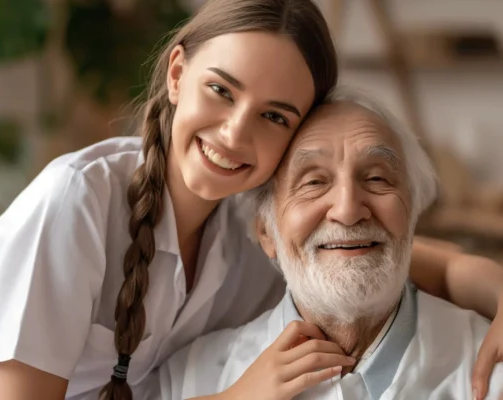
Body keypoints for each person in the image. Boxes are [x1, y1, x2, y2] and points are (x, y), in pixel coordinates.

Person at [0, 1, 502, 399]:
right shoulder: (76, 203)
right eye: (221, 90)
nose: (236, 134)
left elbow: (386, 250)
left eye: (273, 116)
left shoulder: (249, 232)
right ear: (176, 73)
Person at [155, 91, 503, 400]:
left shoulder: (489, 365)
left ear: (411, 214)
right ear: (266, 232)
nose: (348, 210)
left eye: (377, 178)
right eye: (314, 181)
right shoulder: (190, 379)